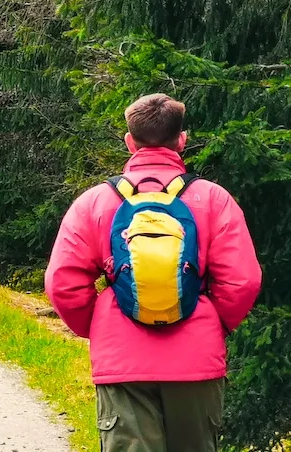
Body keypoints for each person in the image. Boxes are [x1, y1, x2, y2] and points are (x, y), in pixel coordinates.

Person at [45, 94, 262, 452]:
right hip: (196, 360)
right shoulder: (213, 199)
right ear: (182, 140)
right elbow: (243, 280)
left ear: (130, 142)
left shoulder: (95, 202)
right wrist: (213, 323)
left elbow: (62, 283)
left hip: (122, 361)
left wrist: (100, 324)